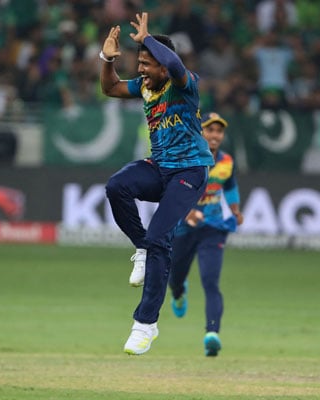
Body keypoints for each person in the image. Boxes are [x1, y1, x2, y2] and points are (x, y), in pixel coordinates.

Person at [100, 12, 214, 355]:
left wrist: (147, 39)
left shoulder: (184, 83)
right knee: (116, 186)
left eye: (147, 64)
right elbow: (109, 87)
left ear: (164, 66)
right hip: (160, 166)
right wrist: (107, 58)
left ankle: (145, 325)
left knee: (160, 237)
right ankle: (141, 249)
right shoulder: (145, 87)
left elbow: (174, 63)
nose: (141, 70)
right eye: (139, 63)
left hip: (190, 171)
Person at [167, 112, 243, 357]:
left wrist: (235, 208)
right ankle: (179, 292)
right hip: (183, 227)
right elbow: (172, 190)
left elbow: (229, 185)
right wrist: (188, 212)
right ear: (201, 133)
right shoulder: (186, 158)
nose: (215, 135)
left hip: (213, 228)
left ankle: (212, 334)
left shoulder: (227, 162)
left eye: (219, 131)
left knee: (211, 281)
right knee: (175, 277)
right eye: (210, 130)